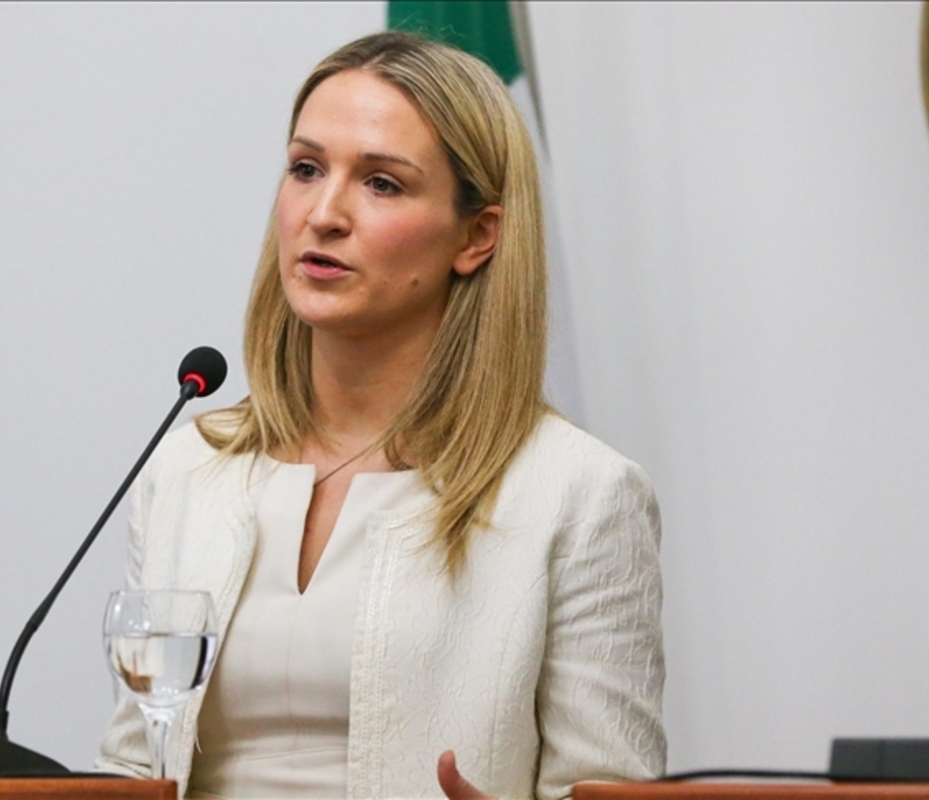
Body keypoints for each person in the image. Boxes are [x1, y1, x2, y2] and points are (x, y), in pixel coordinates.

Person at [96, 30, 665, 800]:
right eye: (306, 169)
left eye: (382, 184)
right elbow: (134, 766)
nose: (324, 213)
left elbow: (603, 787)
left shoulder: (579, 494)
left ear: (477, 236)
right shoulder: (187, 469)